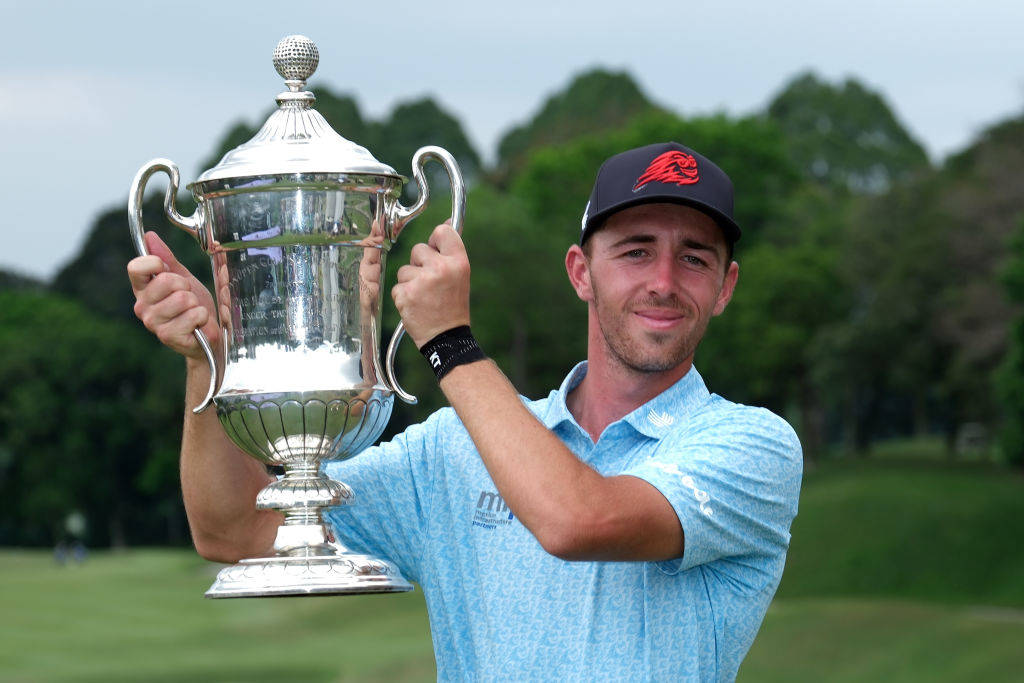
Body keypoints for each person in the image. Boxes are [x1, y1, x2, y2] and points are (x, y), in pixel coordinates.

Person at [128, 141, 802, 681]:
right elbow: (238, 533)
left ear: (724, 287)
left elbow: (577, 519)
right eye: (634, 251)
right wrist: (206, 362)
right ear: (580, 272)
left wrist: (450, 343)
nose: (663, 280)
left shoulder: (753, 446)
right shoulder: (454, 447)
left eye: (694, 257)